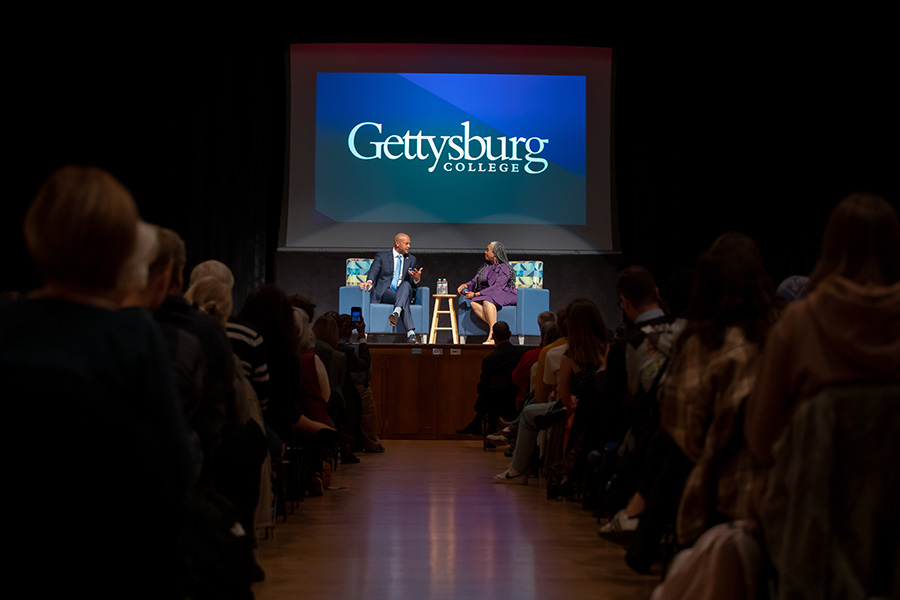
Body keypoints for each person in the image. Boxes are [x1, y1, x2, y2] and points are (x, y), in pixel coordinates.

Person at [1, 166, 196, 598]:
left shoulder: (6, 326)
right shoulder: (133, 336)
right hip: (113, 552)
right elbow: (177, 466)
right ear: (125, 245)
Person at [494, 299, 608, 484]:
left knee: (529, 411)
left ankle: (517, 470)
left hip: (575, 410)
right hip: (604, 410)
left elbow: (559, 397)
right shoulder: (608, 349)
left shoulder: (568, 355)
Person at [359, 232, 422, 343]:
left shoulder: (411, 259)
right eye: (406, 244)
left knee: (406, 284)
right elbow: (374, 270)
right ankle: (411, 333)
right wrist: (369, 281)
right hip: (387, 293)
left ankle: (396, 311)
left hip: (403, 290)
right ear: (397, 243)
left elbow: (412, 282)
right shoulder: (382, 256)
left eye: (409, 244)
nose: (409, 246)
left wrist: (416, 279)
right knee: (404, 300)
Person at [457, 241, 517, 344]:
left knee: (487, 300)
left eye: (488, 250)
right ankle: (497, 329)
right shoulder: (485, 266)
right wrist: (465, 285)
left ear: (495, 253)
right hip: (488, 294)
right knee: (473, 303)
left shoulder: (504, 268)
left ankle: (492, 337)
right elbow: (474, 281)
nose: (485, 252)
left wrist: (476, 294)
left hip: (504, 293)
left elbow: (498, 287)